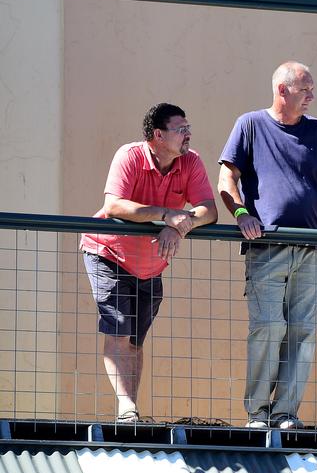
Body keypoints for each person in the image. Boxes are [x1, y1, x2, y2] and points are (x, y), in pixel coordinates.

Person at [218, 61, 317, 430]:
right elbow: (226, 178)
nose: (311, 95)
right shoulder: (250, 124)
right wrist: (242, 213)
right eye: (305, 88)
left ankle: (285, 414)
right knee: (267, 326)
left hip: (312, 248)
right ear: (282, 90)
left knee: (304, 331)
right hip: (266, 245)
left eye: (311, 89)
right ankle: (258, 414)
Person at [80, 103, 217, 423]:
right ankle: (126, 407)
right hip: (108, 254)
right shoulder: (129, 156)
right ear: (158, 134)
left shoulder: (191, 161)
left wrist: (177, 226)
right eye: (181, 129)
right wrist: (164, 214)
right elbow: (113, 206)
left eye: (188, 128)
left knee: (136, 339)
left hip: (150, 264)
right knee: (118, 329)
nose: (188, 134)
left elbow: (209, 210)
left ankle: (131, 412)